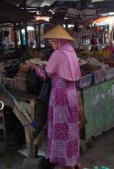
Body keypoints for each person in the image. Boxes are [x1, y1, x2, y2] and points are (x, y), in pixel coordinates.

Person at [35, 25, 82, 169]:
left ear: (58, 40)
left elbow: (47, 74)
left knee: (61, 130)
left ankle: (65, 163)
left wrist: (36, 68)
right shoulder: (71, 51)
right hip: (72, 93)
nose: (51, 43)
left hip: (60, 96)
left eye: (52, 41)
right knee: (72, 128)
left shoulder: (58, 54)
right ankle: (75, 161)